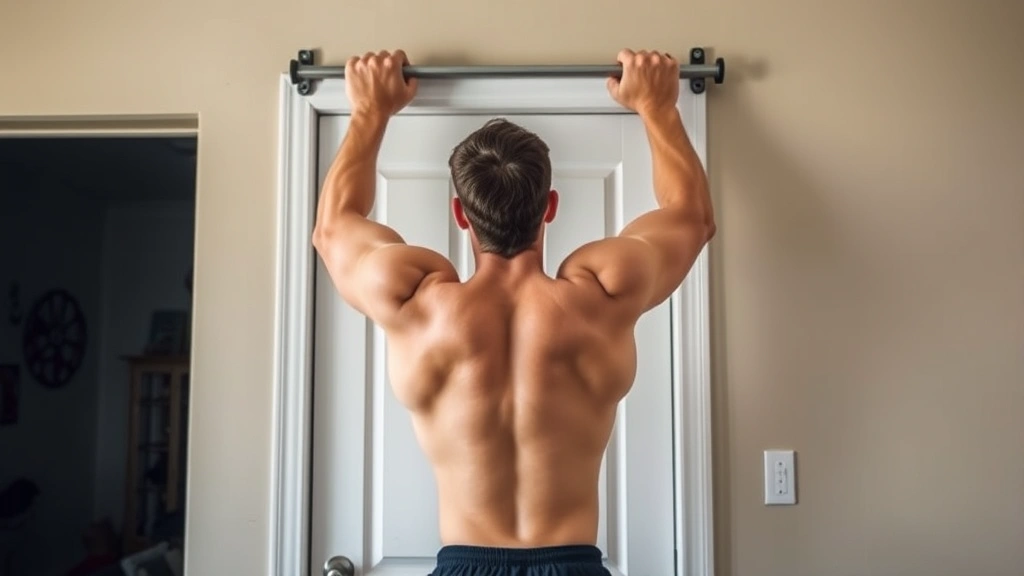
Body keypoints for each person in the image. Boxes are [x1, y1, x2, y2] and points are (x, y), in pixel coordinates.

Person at [312, 48, 716, 576]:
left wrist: (370, 110)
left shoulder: (415, 303)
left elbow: (333, 227)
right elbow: (691, 217)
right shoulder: (601, 296)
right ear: (550, 205)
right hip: (574, 565)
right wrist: (657, 105)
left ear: (460, 213)